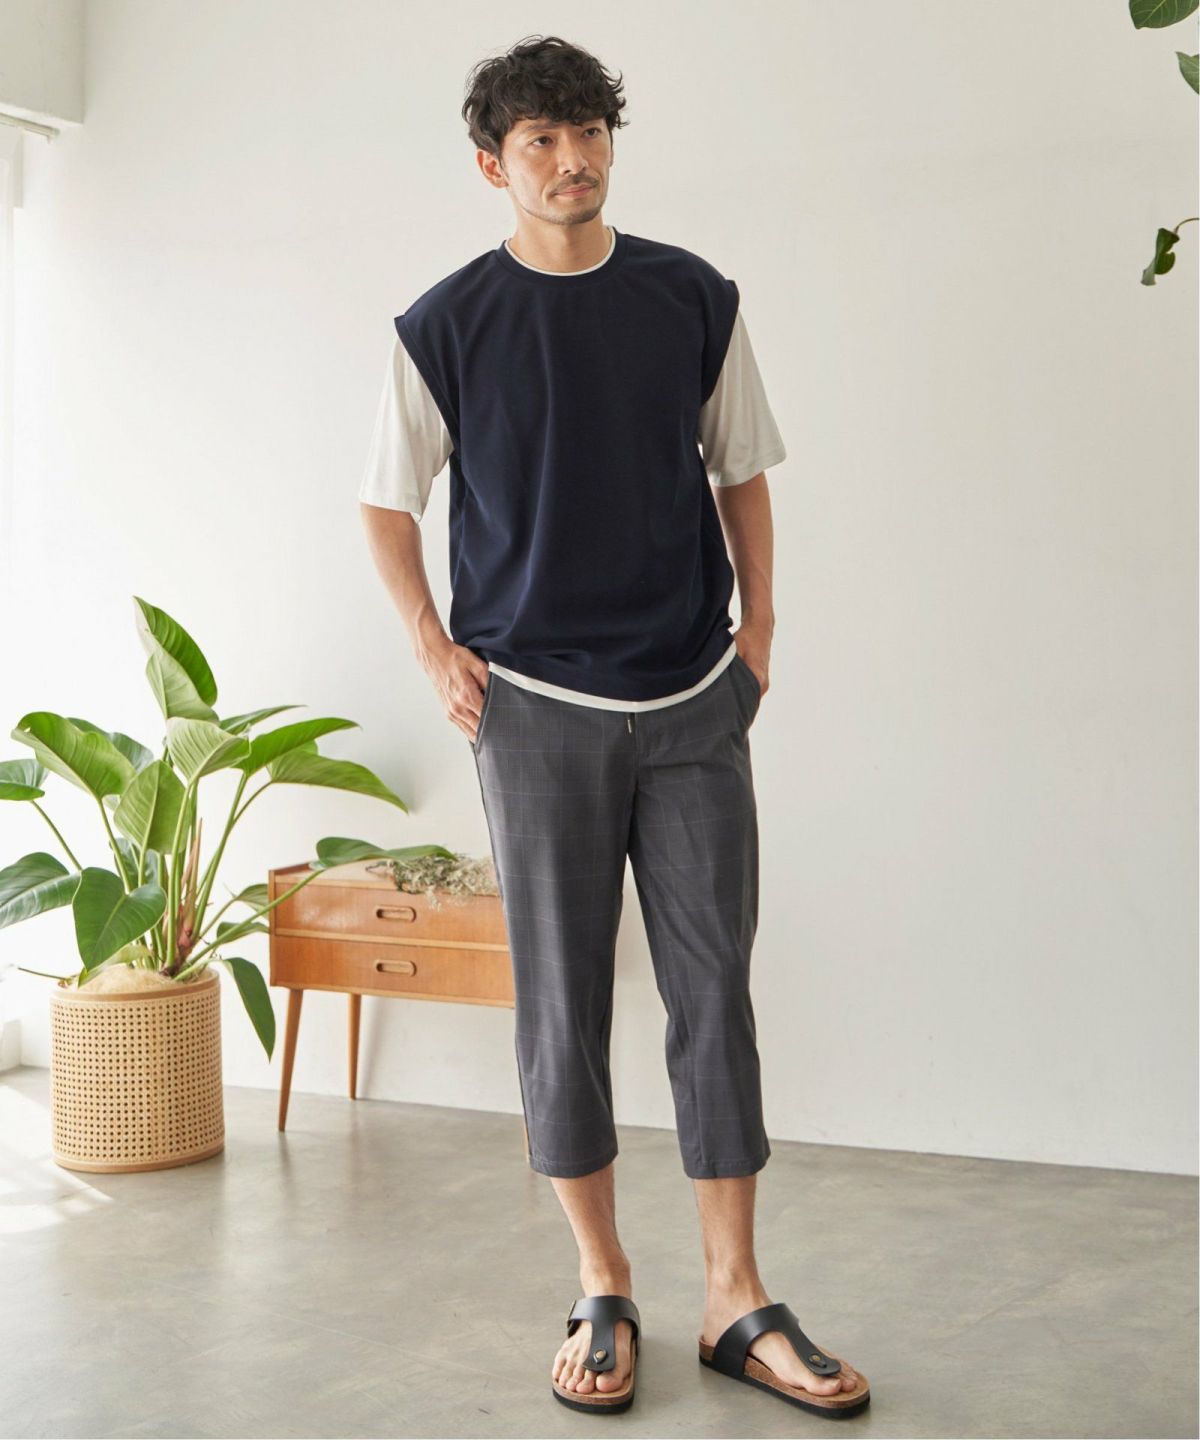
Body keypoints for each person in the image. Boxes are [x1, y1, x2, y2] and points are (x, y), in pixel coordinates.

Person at [358, 33, 869, 1423]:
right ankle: (602, 1284)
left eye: (588, 133)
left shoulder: (691, 296)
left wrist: (759, 633)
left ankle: (735, 1300)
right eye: (541, 140)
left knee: (715, 995)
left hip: (694, 697)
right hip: (535, 709)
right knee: (563, 1004)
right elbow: (388, 502)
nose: (571, 159)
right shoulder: (443, 325)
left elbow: (741, 467)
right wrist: (434, 648)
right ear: (494, 165)